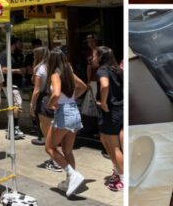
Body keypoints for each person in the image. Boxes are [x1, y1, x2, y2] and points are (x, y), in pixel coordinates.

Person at [44, 49, 88, 198]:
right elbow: (83, 86)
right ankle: (71, 183)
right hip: (74, 111)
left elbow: (56, 93)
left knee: (50, 148)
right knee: (68, 150)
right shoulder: (68, 71)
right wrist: (72, 99)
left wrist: (50, 104)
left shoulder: (55, 74)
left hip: (63, 113)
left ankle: (72, 175)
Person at [95, 46, 125, 191]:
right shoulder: (117, 69)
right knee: (107, 141)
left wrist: (104, 102)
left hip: (111, 111)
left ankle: (123, 178)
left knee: (113, 148)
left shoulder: (102, 70)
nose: (92, 58)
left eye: (95, 55)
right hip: (120, 110)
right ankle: (118, 171)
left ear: (100, 57)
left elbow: (104, 85)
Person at [30, 46, 62, 171]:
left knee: (47, 132)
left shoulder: (39, 68)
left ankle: (56, 161)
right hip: (54, 99)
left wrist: (32, 105)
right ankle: (57, 158)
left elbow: (37, 89)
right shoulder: (53, 67)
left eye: (34, 55)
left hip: (43, 100)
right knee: (53, 130)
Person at [0, 36, 25, 139]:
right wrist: (17, 71)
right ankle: (14, 128)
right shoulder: (5, 54)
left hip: (17, 83)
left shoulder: (18, 55)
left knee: (15, 105)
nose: (21, 45)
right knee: (17, 104)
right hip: (9, 84)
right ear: (14, 44)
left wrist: (23, 70)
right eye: (19, 43)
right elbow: (3, 69)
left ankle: (13, 128)